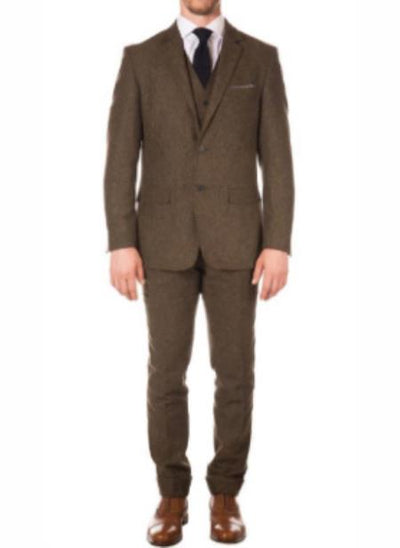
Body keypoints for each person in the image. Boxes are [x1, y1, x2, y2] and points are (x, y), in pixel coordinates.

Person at [104, 0, 294, 544]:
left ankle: (225, 492)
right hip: (162, 242)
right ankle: (172, 493)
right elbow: (120, 157)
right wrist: (121, 241)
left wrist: (278, 242)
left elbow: (278, 157)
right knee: (166, 373)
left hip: (239, 243)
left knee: (235, 372)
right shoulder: (140, 59)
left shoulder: (260, 59)